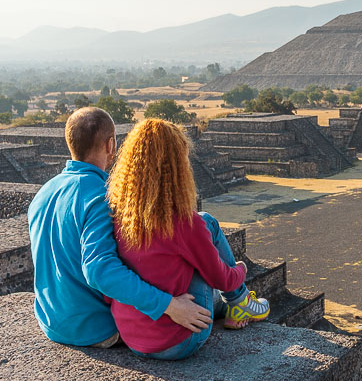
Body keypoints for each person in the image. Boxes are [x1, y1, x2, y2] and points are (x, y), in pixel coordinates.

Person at [27, 107, 212, 348]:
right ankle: (236, 300)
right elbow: (99, 269)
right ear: (110, 144)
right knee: (198, 242)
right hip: (97, 328)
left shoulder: (44, 193)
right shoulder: (100, 195)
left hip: (52, 322)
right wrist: (170, 306)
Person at [107, 118, 270, 360]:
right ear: (177, 167)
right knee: (206, 227)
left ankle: (234, 304)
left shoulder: (120, 218)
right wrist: (240, 270)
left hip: (133, 338)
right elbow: (220, 278)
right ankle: (240, 300)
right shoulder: (184, 224)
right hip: (178, 341)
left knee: (196, 233)